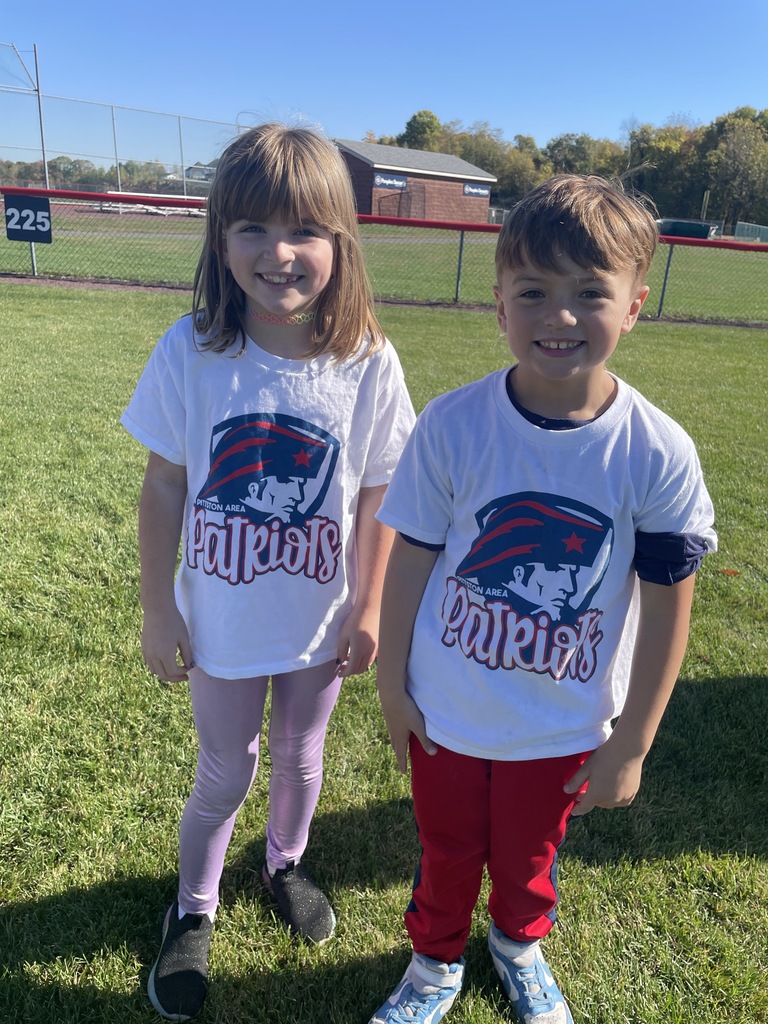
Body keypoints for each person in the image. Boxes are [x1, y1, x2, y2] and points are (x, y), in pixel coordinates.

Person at [370, 174, 716, 1024]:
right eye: (534, 292)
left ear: (635, 304)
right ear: (499, 304)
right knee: (447, 848)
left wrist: (633, 739)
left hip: (563, 721)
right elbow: (410, 558)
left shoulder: (656, 450)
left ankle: (518, 945)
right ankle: (433, 960)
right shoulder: (452, 426)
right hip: (448, 708)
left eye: (589, 293)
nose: (558, 316)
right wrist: (391, 684)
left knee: (529, 855)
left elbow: (672, 601)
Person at [121, 122, 415, 1021]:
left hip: (319, 622)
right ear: (219, 237)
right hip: (219, 621)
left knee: (300, 754)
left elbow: (378, 496)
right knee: (225, 769)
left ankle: (284, 863)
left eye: (304, 231)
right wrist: (156, 609)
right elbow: (165, 486)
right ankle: (195, 905)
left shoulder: (365, 358)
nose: (278, 253)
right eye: (251, 228)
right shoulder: (194, 348)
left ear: (341, 241)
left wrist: (368, 606)